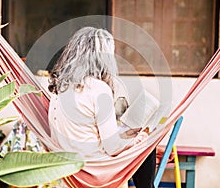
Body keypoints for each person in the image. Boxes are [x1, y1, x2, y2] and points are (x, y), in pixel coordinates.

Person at [48, 26, 156, 188]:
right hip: (94, 171)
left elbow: (84, 133)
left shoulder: (59, 88)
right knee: (147, 145)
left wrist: (126, 135)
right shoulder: (98, 89)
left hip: (68, 170)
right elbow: (112, 147)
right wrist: (137, 140)